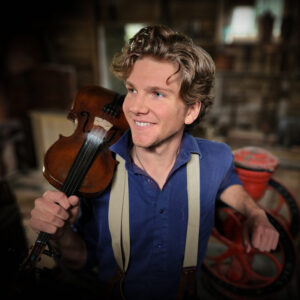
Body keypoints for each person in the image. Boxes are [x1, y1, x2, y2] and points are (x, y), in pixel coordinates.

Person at [29, 25, 279, 300]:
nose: (134, 107)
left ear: (191, 110)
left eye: (157, 93)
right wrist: (61, 233)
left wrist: (256, 213)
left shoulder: (216, 158)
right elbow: (81, 260)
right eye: (132, 89)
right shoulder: (96, 173)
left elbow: (226, 181)